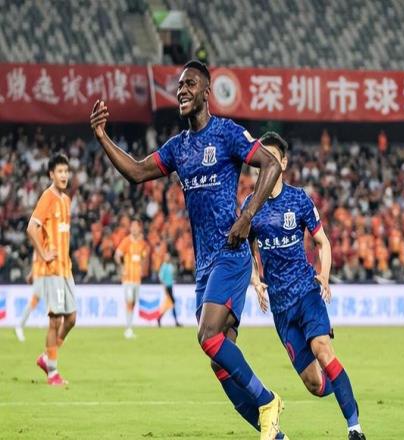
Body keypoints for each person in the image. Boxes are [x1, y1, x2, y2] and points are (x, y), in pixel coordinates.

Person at [90, 60, 286, 440]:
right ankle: (274, 434)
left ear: (206, 93)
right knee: (219, 359)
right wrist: (102, 136)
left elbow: (271, 164)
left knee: (207, 336)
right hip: (204, 265)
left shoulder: (226, 133)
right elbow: (136, 172)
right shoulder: (178, 148)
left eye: (190, 84)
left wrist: (247, 216)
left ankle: (268, 401)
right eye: (179, 86)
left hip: (230, 253)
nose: (182, 90)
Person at [245, 132, 366, 440]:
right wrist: (255, 280)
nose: (267, 163)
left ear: (283, 163)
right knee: (315, 385)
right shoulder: (251, 206)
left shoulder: (298, 199)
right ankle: (341, 385)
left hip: (306, 293)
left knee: (323, 350)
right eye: (263, 158)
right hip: (280, 308)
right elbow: (245, 248)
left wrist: (324, 275)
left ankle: (355, 428)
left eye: (273, 157)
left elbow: (323, 242)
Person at [26, 153, 77, 386]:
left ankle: (47, 357)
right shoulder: (47, 197)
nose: (64, 175)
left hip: (67, 269)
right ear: (51, 174)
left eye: (66, 171)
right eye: (60, 172)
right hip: (53, 270)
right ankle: (53, 373)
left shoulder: (66, 200)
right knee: (55, 320)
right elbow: (32, 227)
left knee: (71, 319)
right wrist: (43, 254)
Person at [115, 219, 149, 339]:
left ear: (139, 229)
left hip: (137, 279)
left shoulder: (142, 243)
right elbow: (117, 254)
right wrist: (121, 268)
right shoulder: (126, 241)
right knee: (129, 301)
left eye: (136, 227)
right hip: (128, 278)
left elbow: (144, 255)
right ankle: (128, 329)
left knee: (133, 302)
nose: (133, 229)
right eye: (132, 227)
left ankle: (129, 327)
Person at [15, 252, 44, 342]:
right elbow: (39, 261)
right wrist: (32, 275)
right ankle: (20, 326)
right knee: (35, 300)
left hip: (46, 276)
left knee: (52, 300)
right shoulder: (42, 246)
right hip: (41, 276)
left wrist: (31, 274)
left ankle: (58, 330)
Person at [157, 251, 181, 327]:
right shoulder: (164, 266)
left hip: (170, 287)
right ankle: (175, 321)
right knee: (171, 303)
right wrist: (164, 288)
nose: (168, 258)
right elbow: (161, 278)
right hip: (167, 287)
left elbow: (173, 274)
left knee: (170, 304)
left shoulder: (171, 266)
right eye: (166, 257)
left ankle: (160, 318)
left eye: (168, 257)